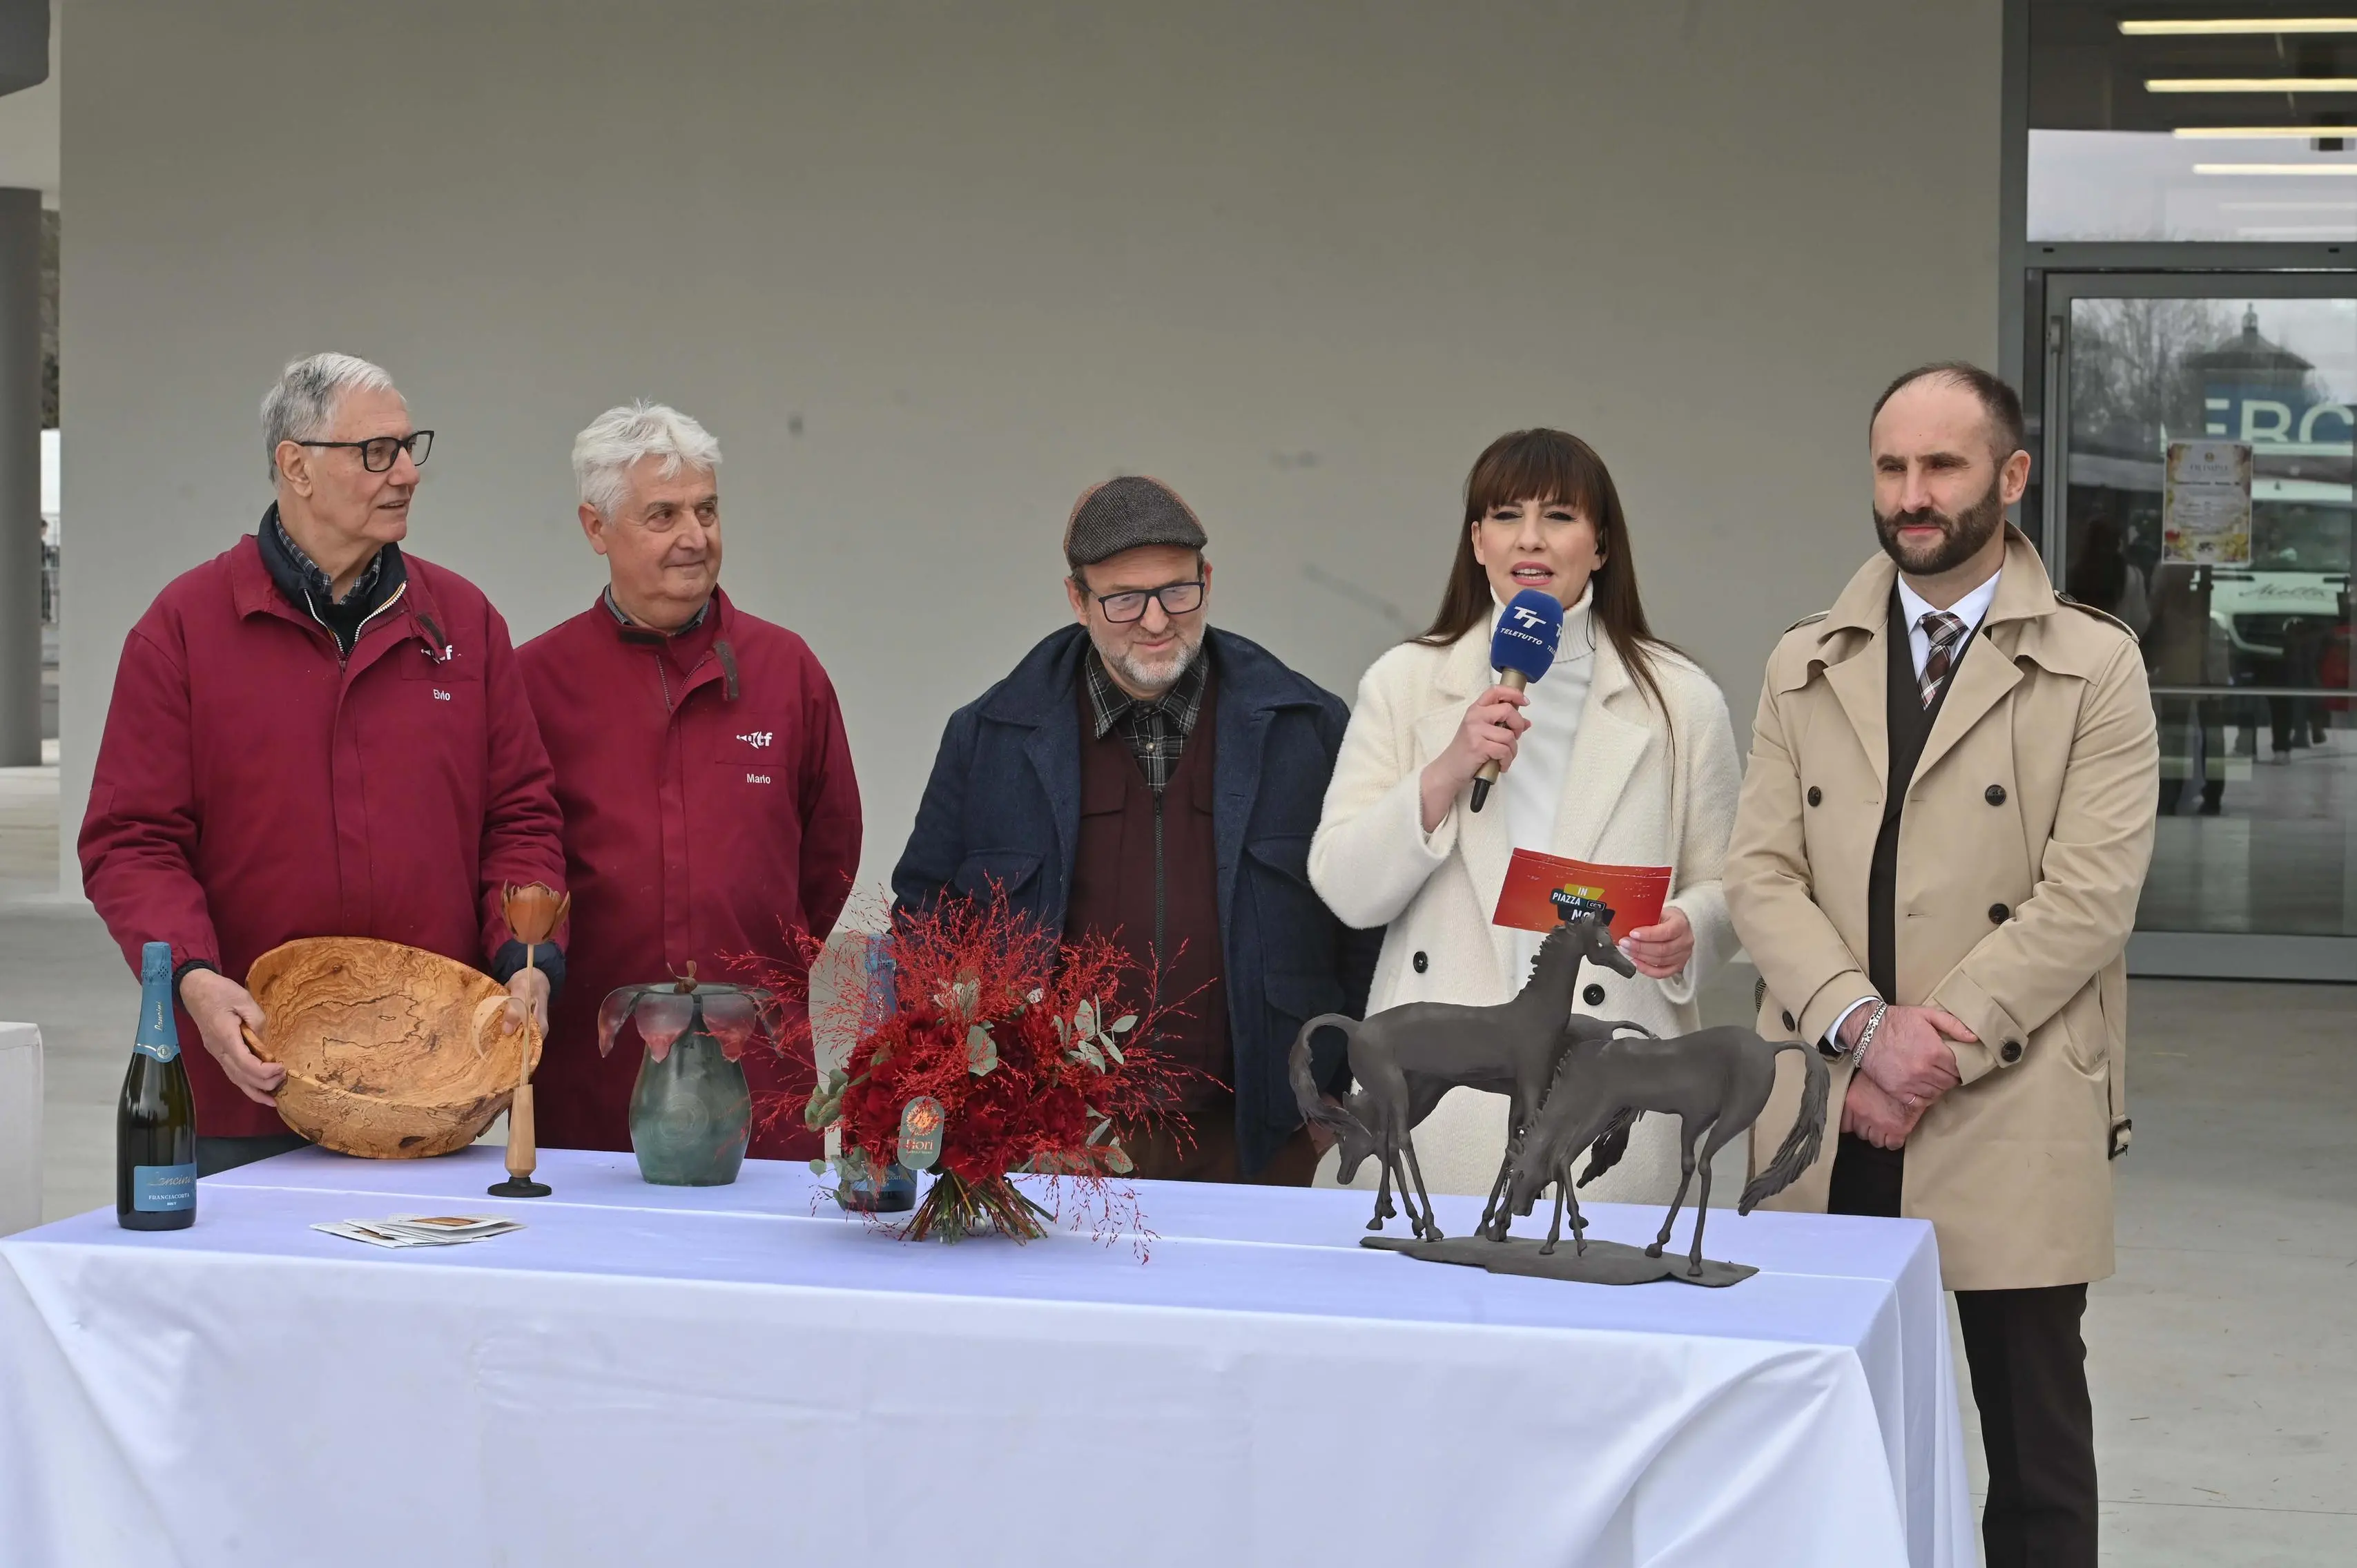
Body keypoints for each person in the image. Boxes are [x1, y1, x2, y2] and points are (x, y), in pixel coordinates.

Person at [1725, 362, 2157, 1568]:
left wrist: (1927, 1047)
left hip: (2002, 1095)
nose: (1910, 496)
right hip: (1828, 1094)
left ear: (2008, 478)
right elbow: (1760, 873)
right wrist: (1862, 1030)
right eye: (1890, 467)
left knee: (2032, 1457)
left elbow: (2088, 897)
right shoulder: (1801, 660)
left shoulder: (2092, 666)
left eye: (1941, 466)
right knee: (1819, 1434)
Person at [79, 353, 567, 1174]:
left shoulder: (465, 625)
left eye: (411, 447)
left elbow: (520, 817)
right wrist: (192, 979)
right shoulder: (185, 630)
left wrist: (528, 961)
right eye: (376, 452)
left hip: (431, 1092)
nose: (406, 472)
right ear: (295, 466)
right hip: (250, 1084)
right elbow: (131, 842)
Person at [893, 476, 1379, 1183]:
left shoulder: (1306, 729)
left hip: (1264, 1144)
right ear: (1077, 601)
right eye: (1123, 600)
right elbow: (923, 924)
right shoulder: (991, 737)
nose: (1155, 622)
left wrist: (1333, 1101)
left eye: (1177, 592)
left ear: (1207, 581)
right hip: (1055, 1145)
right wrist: (970, 1090)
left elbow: (1366, 925)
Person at [1307, 428, 1743, 1201]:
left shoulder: (1682, 701)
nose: (1531, 539)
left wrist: (1692, 927)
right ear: (1477, 541)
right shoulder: (1405, 684)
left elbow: (1734, 886)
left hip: (1605, 1085)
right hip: (1441, 1089)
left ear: (1601, 544)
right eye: (1506, 515)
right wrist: (1446, 768)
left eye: (1561, 516)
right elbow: (1344, 885)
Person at [518, 403, 860, 1159]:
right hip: (592, 1085)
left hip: (759, 1083)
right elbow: (511, 852)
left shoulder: (786, 670)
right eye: (663, 515)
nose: (694, 537)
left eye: (706, 511)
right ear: (595, 528)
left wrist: (756, 960)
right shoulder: (534, 683)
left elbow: (832, 850)